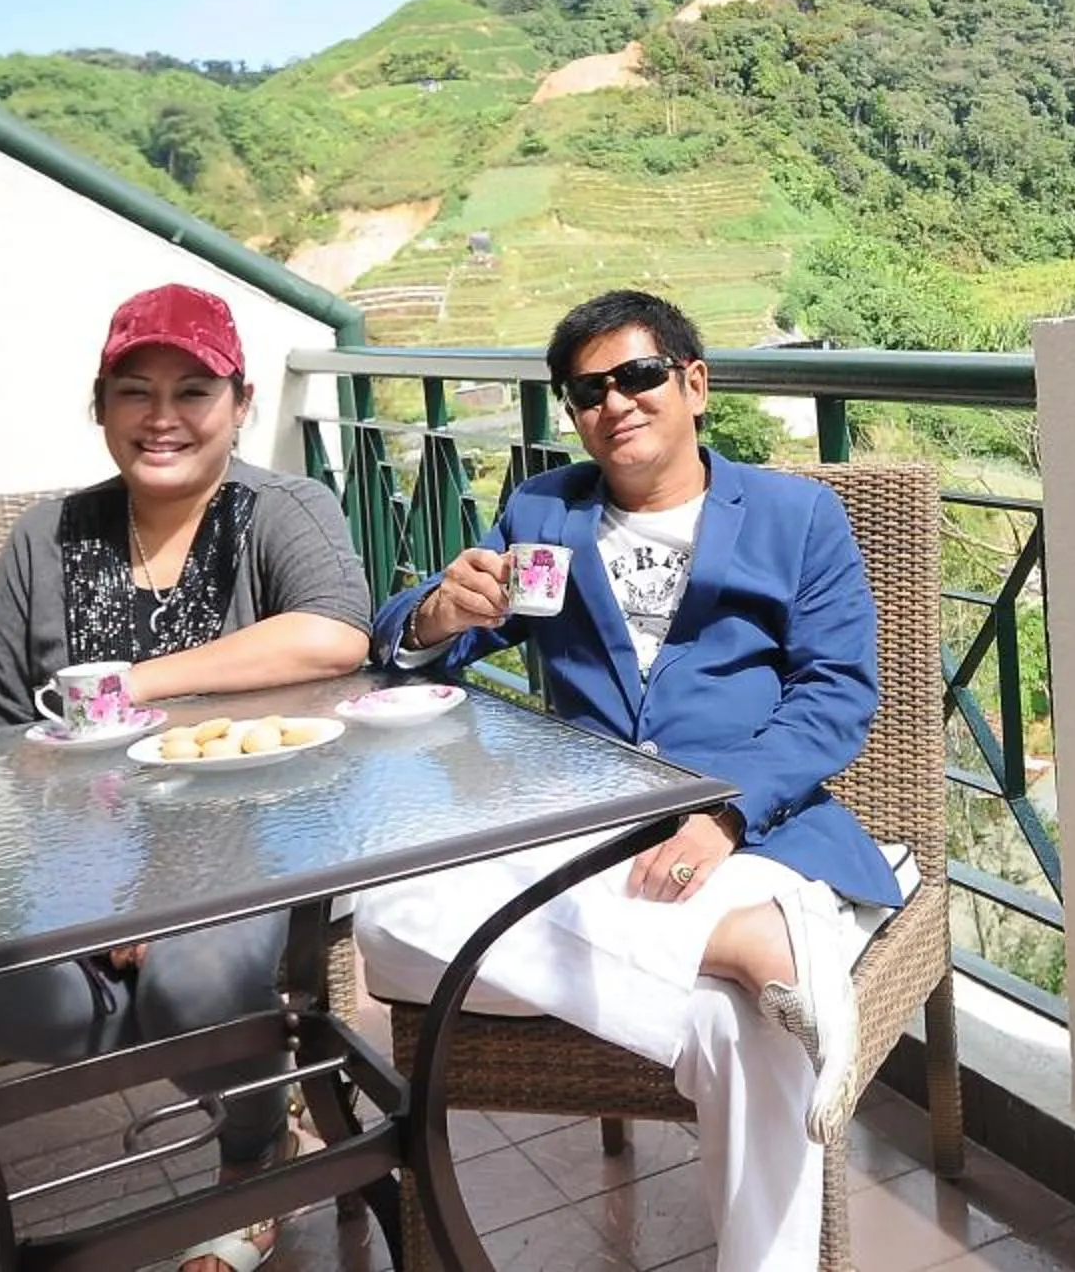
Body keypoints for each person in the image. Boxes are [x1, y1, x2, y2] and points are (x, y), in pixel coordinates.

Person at [350, 289, 894, 1272]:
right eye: (586, 390)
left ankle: (757, 938)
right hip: (591, 832)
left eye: (638, 376)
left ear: (694, 385)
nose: (615, 403)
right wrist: (438, 612)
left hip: (753, 834)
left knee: (741, 1034)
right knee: (384, 922)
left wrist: (723, 812)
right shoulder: (542, 510)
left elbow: (835, 697)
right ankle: (753, 950)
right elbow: (414, 644)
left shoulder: (793, 517)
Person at [0, 282, 372, 1272]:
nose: (163, 418)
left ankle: (248, 1148)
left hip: (260, 842)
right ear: (99, 405)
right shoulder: (44, 540)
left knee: (198, 971)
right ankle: (254, 1089)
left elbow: (335, 635)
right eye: (134, 391)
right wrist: (99, 893)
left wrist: (132, 684)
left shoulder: (280, 509)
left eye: (194, 390)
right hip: (77, 852)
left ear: (241, 401)